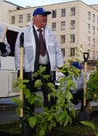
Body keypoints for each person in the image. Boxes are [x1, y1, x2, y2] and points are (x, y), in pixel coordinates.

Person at [14, 7, 63, 135]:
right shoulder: (24, 33)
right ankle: (29, 128)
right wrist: (20, 70)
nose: (45, 18)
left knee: (51, 99)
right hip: (30, 71)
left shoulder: (51, 34)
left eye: (46, 16)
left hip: (47, 70)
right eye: (43, 15)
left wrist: (60, 66)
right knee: (28, 100)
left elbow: (57, 51)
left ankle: (50, 127)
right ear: (35, 17)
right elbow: (19, 54)